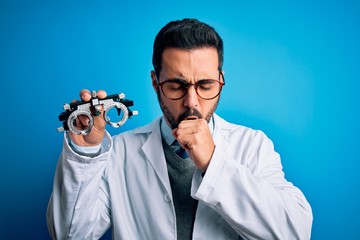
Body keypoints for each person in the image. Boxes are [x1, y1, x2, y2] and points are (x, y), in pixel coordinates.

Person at [47, 18, 313, 239]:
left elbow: (294, 232)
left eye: (206, 85)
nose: (191, 102)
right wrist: (85, 154)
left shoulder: (252, 146)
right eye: (176, 86)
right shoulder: (120, 152)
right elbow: (70, 235)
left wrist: (214, 163)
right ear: (155, 82)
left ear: (221, 80)